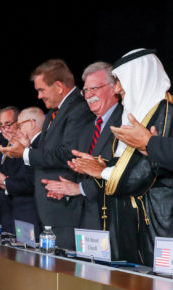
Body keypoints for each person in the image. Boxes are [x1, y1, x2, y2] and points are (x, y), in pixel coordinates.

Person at [70, 49, 173, 265]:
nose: (117, 88)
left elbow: (145, 174)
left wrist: (104, 171)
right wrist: (103, 165)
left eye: (119, 81)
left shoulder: (164, 111)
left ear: (138, 77)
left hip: (158, 221)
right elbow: (129, 164)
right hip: (132, 221)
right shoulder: (137, 113)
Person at [6, 59, 94, 249]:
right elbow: (49, 153)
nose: (39, 96)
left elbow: (68, 153)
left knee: (66, 273)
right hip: (51, 212)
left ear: (59, 86)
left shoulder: (78, 109)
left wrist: (27, 154)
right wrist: (28, 148)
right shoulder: (55, 113)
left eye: (41, 90)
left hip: (64, 210)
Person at [42, 62, 122, 235]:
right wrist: (67, 187)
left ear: (114, 87)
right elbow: (80, 170)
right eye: (85, 90)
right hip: (83, 221)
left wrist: (80, 189)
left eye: (94, 88)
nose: (88, 95)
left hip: (114, 222)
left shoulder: (126, 123)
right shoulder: (87, 128)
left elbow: (124, 173)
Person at [0, 106, 43, 237]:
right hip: (10, 213)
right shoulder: (7, 147)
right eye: (2, 126)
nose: (5, 129)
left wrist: (4, 181)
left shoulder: (35, 147)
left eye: (8, 124)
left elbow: (28, 181)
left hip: (29, 214)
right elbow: (9, 175)